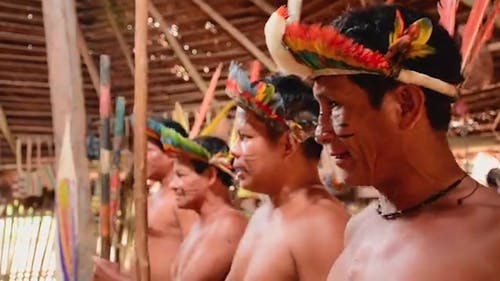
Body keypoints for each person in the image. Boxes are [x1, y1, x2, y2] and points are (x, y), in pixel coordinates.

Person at [265, 4, 500, 280]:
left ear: (405, 105)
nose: (320, 133)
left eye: (336, 105)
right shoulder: (359, 227)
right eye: (321, 108)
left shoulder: (491, 240)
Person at [225, 63, 349, 281]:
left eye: (245, 137)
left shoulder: (320, 225)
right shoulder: (267, 212)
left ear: (288, 145)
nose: (233, 150)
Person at [93, 118, 198, 281]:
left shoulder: (182, 200)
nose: (139, 158)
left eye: (148, 150)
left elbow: (196, 259)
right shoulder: (155, 195)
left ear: (172, 154)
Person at [159, 130, 247, 281]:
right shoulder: (202, 224)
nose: (173, 185)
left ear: (211, 176)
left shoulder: (229, 225)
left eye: (180, 175)